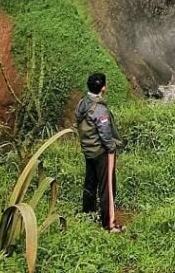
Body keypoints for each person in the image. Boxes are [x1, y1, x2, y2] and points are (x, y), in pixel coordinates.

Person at [75, 72, 123, 232]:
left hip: (88, 150)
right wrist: (111, 147)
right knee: (107, 186)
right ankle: (109, 224)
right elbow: (105, 133)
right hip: (101, 152)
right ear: (103, 88)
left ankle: (87, 213)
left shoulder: (83, 103)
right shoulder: (100, 110)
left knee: (90, 182)